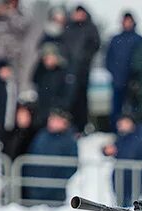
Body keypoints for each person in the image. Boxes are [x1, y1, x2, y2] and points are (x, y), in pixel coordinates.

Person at [22, 108, 78, 203]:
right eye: (51, 119)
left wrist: (58, 181)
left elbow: (72, 165)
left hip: (55, 191)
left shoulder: (69, 140)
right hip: (35, 188)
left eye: (55, 119)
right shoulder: (41, 135)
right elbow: (30, 156)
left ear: (64, 122)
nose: (51, 122)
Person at [61, 5, 101, 133]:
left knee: (81, 99)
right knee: (67, 99)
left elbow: (95, 44)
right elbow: (62, 45)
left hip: (82, 69)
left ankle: (81, 126)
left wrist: (84, 58)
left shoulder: (90, 28)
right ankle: (68, 125)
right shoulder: (68, 27)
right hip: (68, 70)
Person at [102, 114, 142, 207]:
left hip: (132, 180)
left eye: (123, 122)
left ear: (130, 123)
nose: (119, 125)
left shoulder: (141, 138)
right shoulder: (122, 137)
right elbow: (116, 150)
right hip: (121, 180)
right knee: (121, 206)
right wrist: (107, 150)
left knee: (131, 207)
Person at [105, 12, 142, 126]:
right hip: (118, 80)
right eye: (125, 21)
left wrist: (136, 76)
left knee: (134, 108)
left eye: (129, 21)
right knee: (116, 108)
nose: (127, 23)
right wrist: (114, 73)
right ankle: (115, 131)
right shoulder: (116, 39)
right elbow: (108, 59)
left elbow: (141, 59)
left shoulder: (139, 39)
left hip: (134, 81)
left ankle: (134, 131)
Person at [32, 43, 75, 127]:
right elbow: (34, 79)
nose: (47, 61)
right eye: (45, 59)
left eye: (49, 58)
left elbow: (68, 96)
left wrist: (57, 110)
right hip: (43, 112)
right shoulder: (42, 72)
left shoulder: (64, 72)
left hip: (58, 114)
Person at [0, 61, 17, 136]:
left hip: (11, 121)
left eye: (7, 71)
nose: (5, 74)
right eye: (2, 71)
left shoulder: (12, 85)